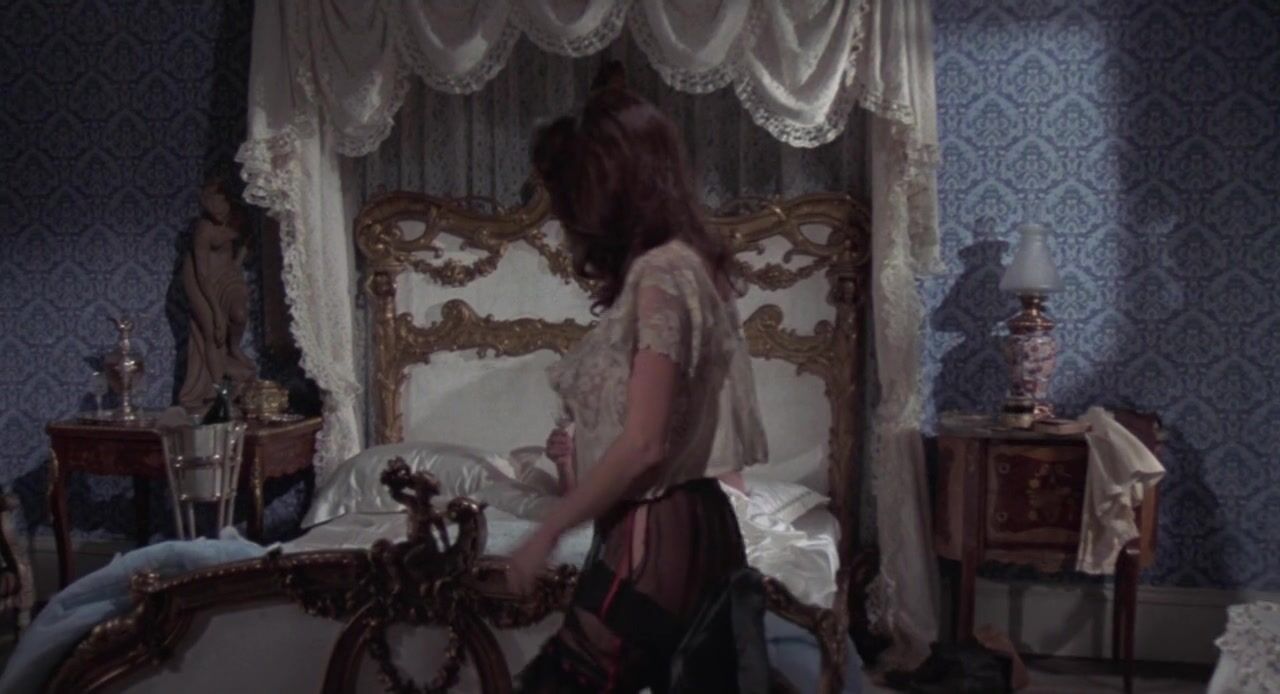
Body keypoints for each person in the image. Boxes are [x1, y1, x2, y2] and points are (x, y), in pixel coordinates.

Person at [507, 62, 768, 693]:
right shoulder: (690, 265)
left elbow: (645, 443)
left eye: (571, 201)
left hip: (657, 529)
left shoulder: (661, 272)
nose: (567, 223)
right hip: (690, 528)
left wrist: (547, 530)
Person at [178, 178, 256, 410]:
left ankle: (234, 348)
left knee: (239, 314)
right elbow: (202, 275)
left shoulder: (239, 217)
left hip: (227, 273)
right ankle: (217, 390)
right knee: (213, 330)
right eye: (211, 210)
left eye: (221, 208)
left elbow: (248, 238)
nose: (218, 215)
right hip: (199, 278)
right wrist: (216, 312)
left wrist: (237, 264)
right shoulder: (203, 230)